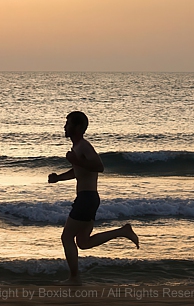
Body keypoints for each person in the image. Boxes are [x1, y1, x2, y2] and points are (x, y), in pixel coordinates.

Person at [48, 111, 139, 285]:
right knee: (82, 242)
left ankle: (74, 278)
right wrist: (58, 178)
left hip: (87, 198)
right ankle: (123, 231)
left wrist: (76, 160)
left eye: (68, 123)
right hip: (88, 198)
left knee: (67, 237)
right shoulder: (78, 148)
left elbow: (99, 166)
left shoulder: (83, 146)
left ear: (78, 127)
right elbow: (79, 171)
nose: (64, 127)